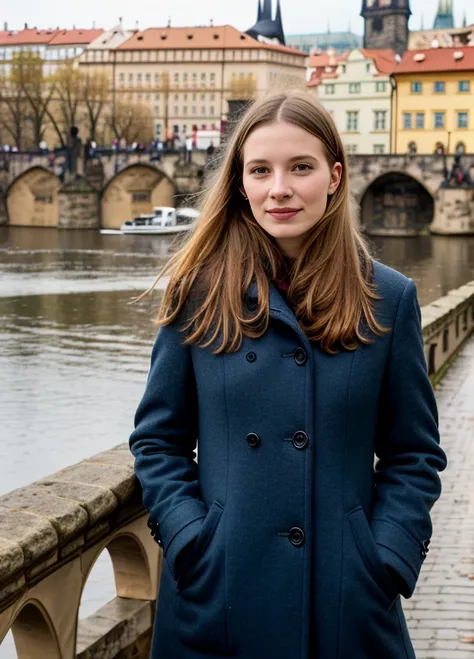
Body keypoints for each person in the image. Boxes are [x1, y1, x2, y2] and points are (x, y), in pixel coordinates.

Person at [129, 90, 447, 659]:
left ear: (334, 176)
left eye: (300, 167)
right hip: (220, 593)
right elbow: (159, 440)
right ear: (240, 183)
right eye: (260, 170)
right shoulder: (197, 292)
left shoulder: (388, 298)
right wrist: (189, 542)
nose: (279, 188)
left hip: (347, 598)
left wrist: (389, 557)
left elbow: (414, 454)